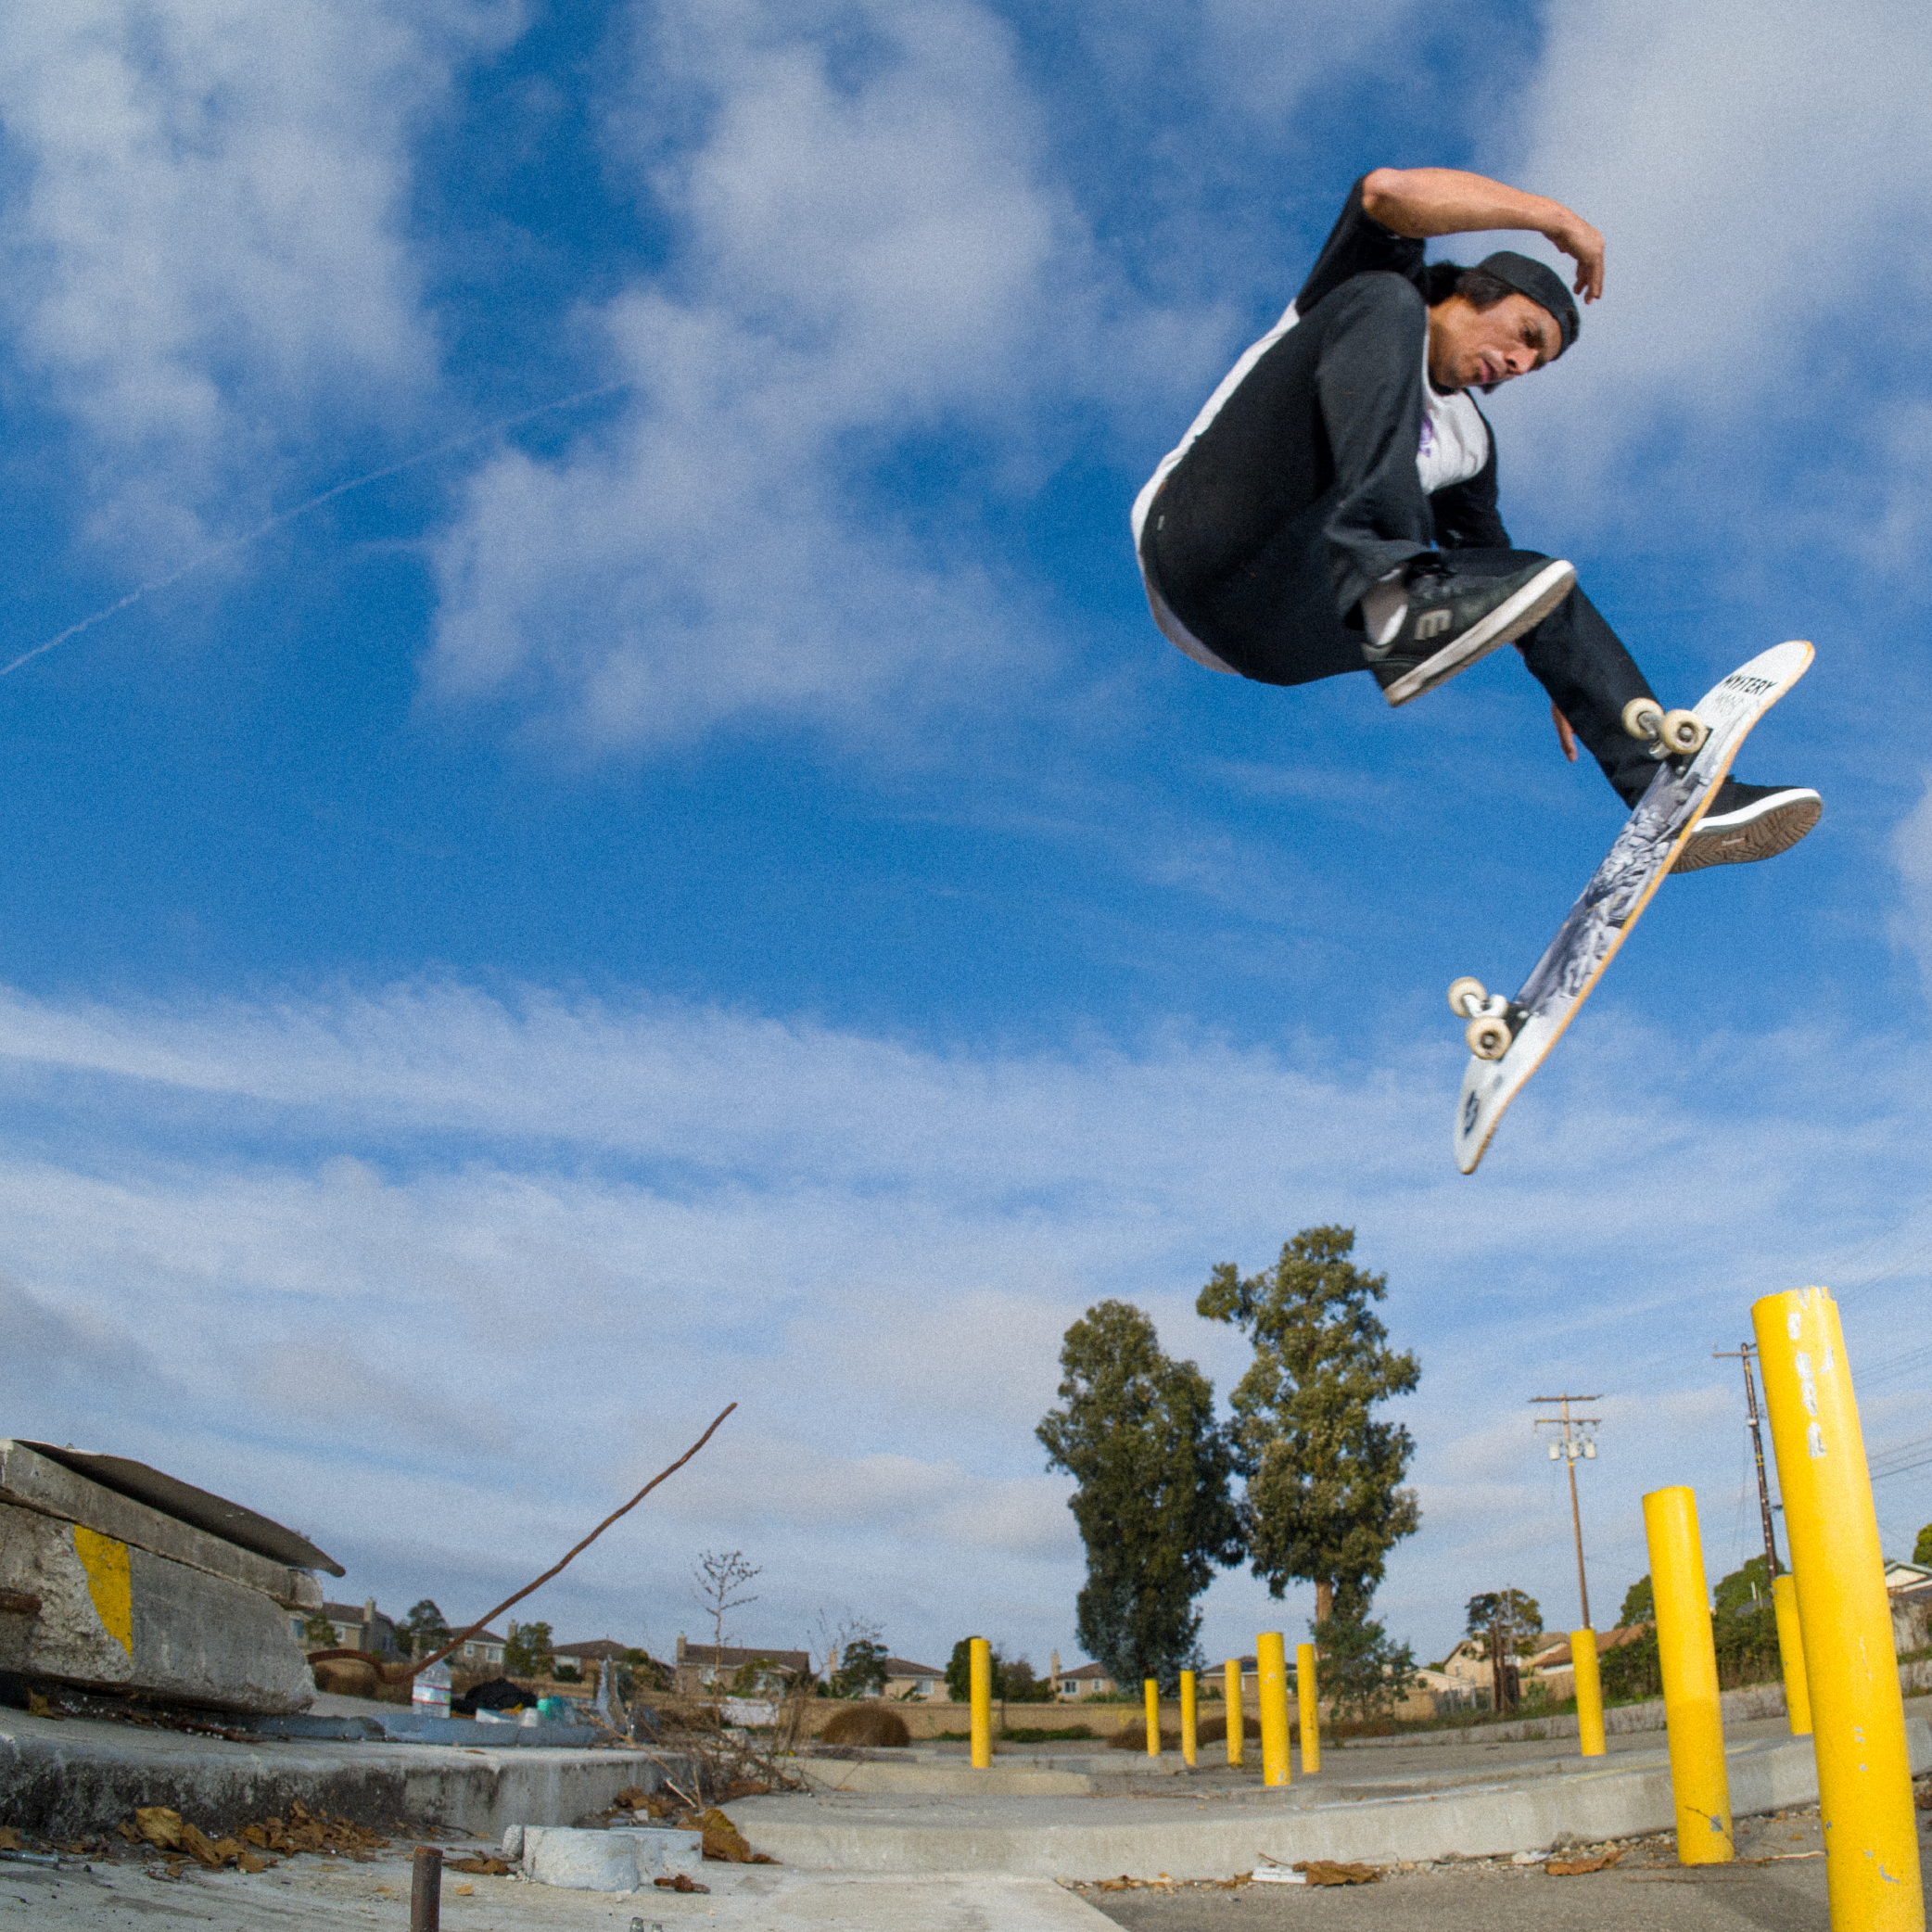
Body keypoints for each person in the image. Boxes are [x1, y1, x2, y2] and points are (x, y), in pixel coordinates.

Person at [1132, 167, 1819, 872]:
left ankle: (1674, 801)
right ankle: (1390, 583)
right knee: (1385, 301)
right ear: (1471, 292)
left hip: (1277, 641)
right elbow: (1384, 193)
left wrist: (1575, 674)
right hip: (1200, 543)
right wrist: (1552, 220)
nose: (1519, 364)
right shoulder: (1370, 290)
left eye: (1536, 363)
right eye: (1524, 334)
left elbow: (1509, 584)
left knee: (1542, 578)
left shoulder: (1471, 444)